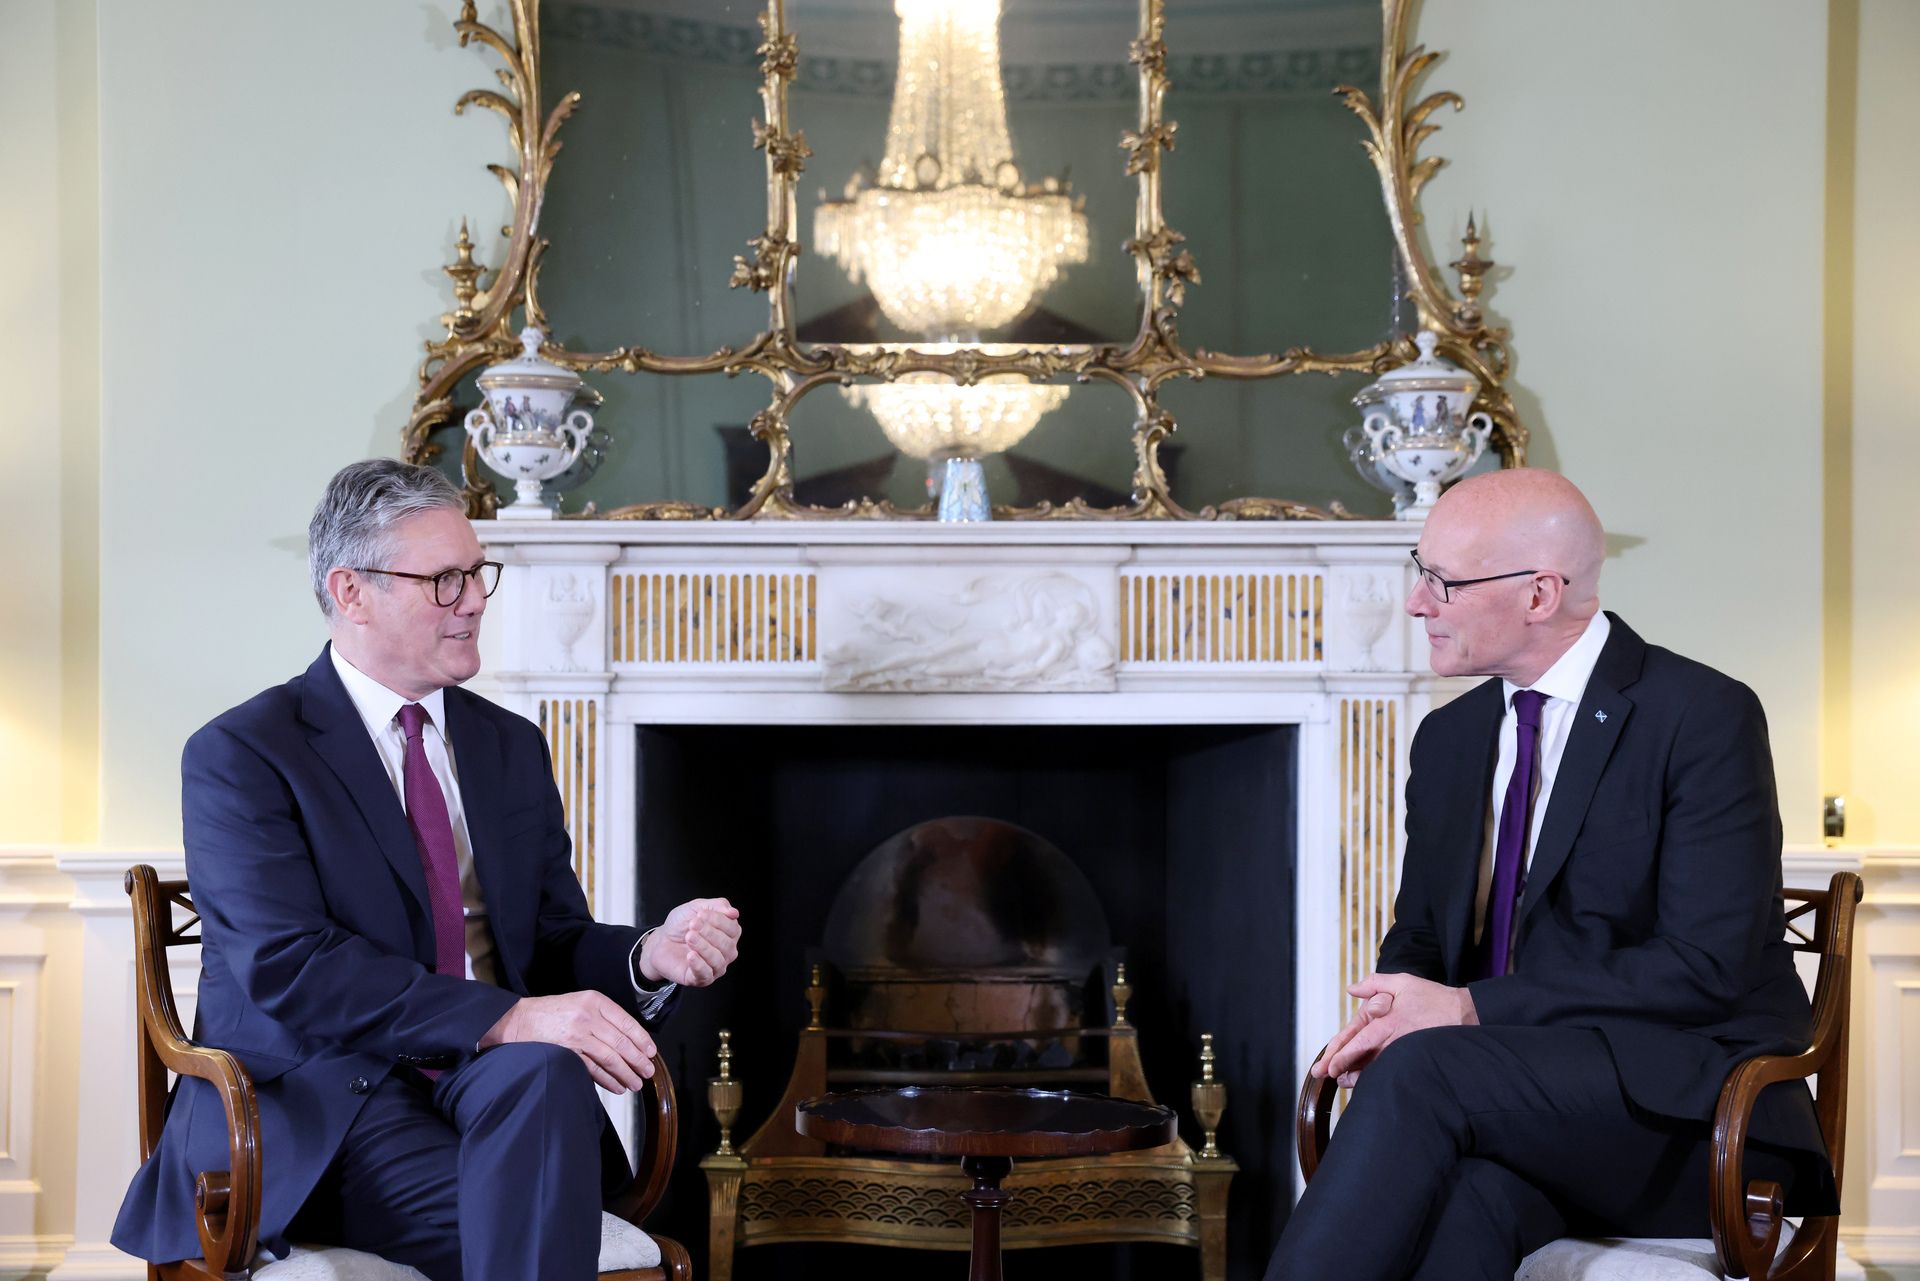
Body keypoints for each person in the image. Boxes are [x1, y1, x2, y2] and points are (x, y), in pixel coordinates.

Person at [112, 460, 741, 1280]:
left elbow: (550, 941)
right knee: (531, 1201)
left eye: (477, 573)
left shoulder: (508, 745)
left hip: (496, 1094)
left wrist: (647, 954)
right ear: (352, 590)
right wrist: (509, 1019)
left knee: (543, 1080)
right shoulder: (246, 753)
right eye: (444, 579)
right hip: (327, 1103)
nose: (475, 598)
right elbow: (290, 966)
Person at [1265, 469, 1835, 1281]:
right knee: (1465, 1199)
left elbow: (1707, 966)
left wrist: (1465, 1009)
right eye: (1417, 570)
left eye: (1443, 581)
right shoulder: (1451, 738)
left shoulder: (1701, 716)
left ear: (1540, 594)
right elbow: (1424, 934)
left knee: (1428, 1069)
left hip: (1692, 1115)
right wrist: (1398, 1002)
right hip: (1515, 1110)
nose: (1417, 603)